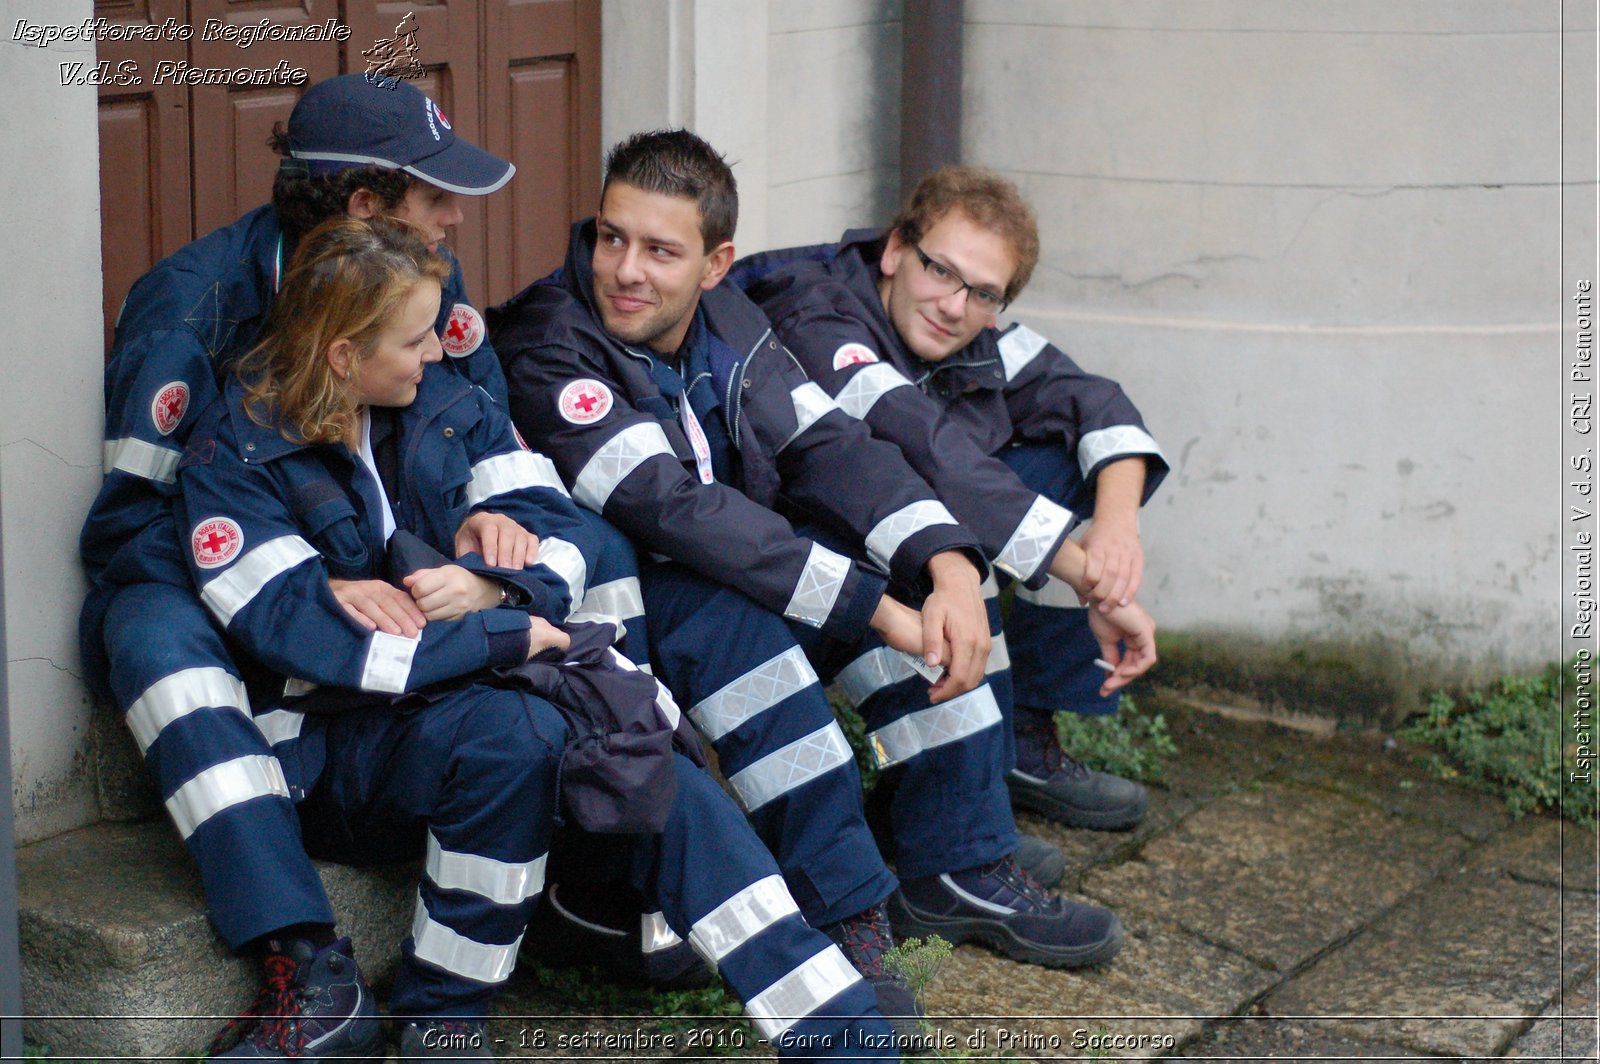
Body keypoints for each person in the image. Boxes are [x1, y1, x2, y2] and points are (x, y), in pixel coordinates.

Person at [178, 215, 900, 1061]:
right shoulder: (237, 455)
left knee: (640, 755)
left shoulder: (441, 402)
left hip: (481, 692)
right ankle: (440, 1011)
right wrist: (508, 634)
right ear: (342, 355)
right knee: (518, 737)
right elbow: (324, 645)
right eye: (413, 340)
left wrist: (495, 586)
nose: (435, 353)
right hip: (336, 746)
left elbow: (567, 537)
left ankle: (835, 1030)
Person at [491, 131, 1158, 1009]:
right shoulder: (551, 335)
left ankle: (958, 862)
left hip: (740, 557)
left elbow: (829, 447)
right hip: (632, 590)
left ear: (715, 263)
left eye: (660, 250)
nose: (625, 269)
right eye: (611, 237)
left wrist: (947, 561)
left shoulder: (729, 319)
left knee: (917, 590)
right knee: (757, 649)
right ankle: (845, 917)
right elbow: (669, 510)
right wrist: (873, 608)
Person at [76, 74, 644, 1056]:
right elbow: (127, 527)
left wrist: (498, 543)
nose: (456, 219)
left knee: (597, 544)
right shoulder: (190, 306)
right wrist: (289, 571)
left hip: (400, 592)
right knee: (145, 623)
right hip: (245, 583)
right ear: (365, 206)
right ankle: (306, 958)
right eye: (434, 197)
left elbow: (483, 438)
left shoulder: (421, 273)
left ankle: (601, 832)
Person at [741, 167, 1170, 832]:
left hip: (898, 526)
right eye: (940, 271)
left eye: (981, 293)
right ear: (894, 250)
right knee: (949, 513)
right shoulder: (813, 307)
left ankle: (1017, 735)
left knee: (1062, 466)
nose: (953, 305)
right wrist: (1097, 584)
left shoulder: (976, 333)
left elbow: (1098, 402)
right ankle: (949, 814)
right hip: (779, 555)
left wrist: (1117, 529)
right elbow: (919, 443)